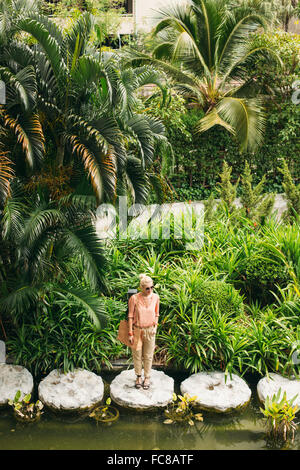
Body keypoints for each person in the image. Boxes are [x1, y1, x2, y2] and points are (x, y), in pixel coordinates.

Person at [128, 273, 160, 390]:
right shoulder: (134, 298)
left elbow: (157, 314)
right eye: (147, 288)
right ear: (141, 288)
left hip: (150, 330)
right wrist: (130, 333)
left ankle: (147, 377)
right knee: (137, 355)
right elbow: (130, 316)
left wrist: (155, 327)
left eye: (152, 287)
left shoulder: (156, 297)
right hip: (137, 329)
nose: (150, 290)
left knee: (148, 355)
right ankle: (138, 376)